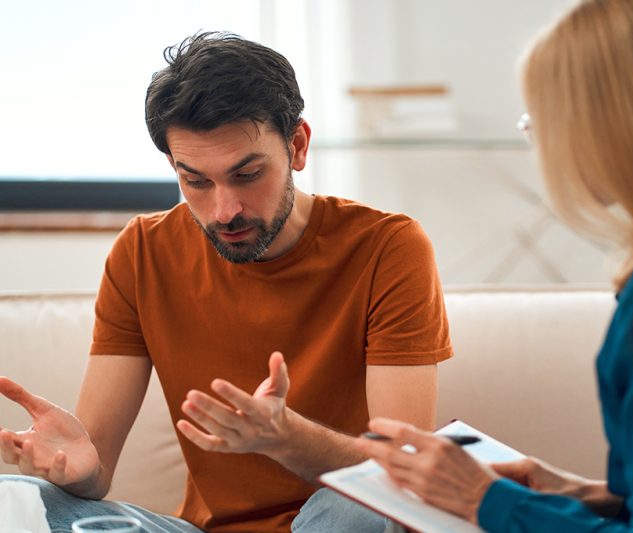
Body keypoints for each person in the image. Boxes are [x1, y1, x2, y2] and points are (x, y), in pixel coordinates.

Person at [356, 0, 633, 531]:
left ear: (607, 127)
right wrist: (580, 492)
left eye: (538, 121)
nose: (540, 144)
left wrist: (484, 499)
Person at [0, 32, 452, 532]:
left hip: (335, 520)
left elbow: (405, 470)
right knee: (17, 498)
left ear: (297, 146)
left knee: (364, 508)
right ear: (173, 166)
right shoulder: (142, 252)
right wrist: (80, 472)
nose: (225, 210)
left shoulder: (388, 247)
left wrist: (285, 436)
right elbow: (97, 470)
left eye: (247, 174)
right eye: (196, 181)